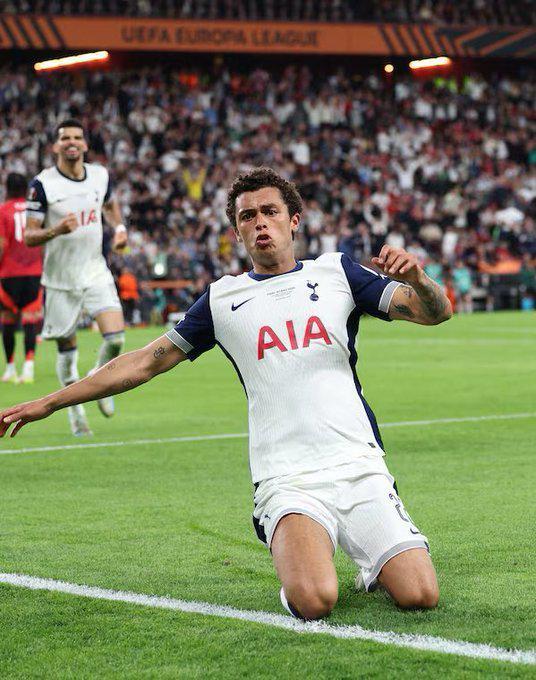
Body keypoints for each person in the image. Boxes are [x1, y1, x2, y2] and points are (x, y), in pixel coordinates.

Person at [0, 168, 452, 619]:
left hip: (359, 465)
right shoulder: (222, 299)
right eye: (247, 216)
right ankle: (304, 565)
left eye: (270, 211)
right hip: (288, 478)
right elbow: (144, 362)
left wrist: (418, 279)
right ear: (237, 231)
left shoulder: (337, 272)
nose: (260, 222)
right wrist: (49, 402)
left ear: (294, 220)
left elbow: (435, 312)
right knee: (315, 601)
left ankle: (370, 566)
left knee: (420, 594)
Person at [24, 119, 128, 436]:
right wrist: (56, 230)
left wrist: (119, 228)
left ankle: (100, 379)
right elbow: (29, 236)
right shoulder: (43, 184)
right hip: (60, 280)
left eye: (77, 137)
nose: (71, 142)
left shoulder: (100, 175)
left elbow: (110, 205)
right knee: (67, 354)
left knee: (116, 338)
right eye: (65, 138)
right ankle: (76, 415)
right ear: (55, 146)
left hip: (95, 270)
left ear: (85, 144)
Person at [0, 173, 43, 384]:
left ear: (6, 187)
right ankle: (29, 367)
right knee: (30, 321)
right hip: (33, 273)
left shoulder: (3, 210)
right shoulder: (33, 210)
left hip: (9, 274)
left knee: (8, 321)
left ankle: (10, 368)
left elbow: (1, 244)